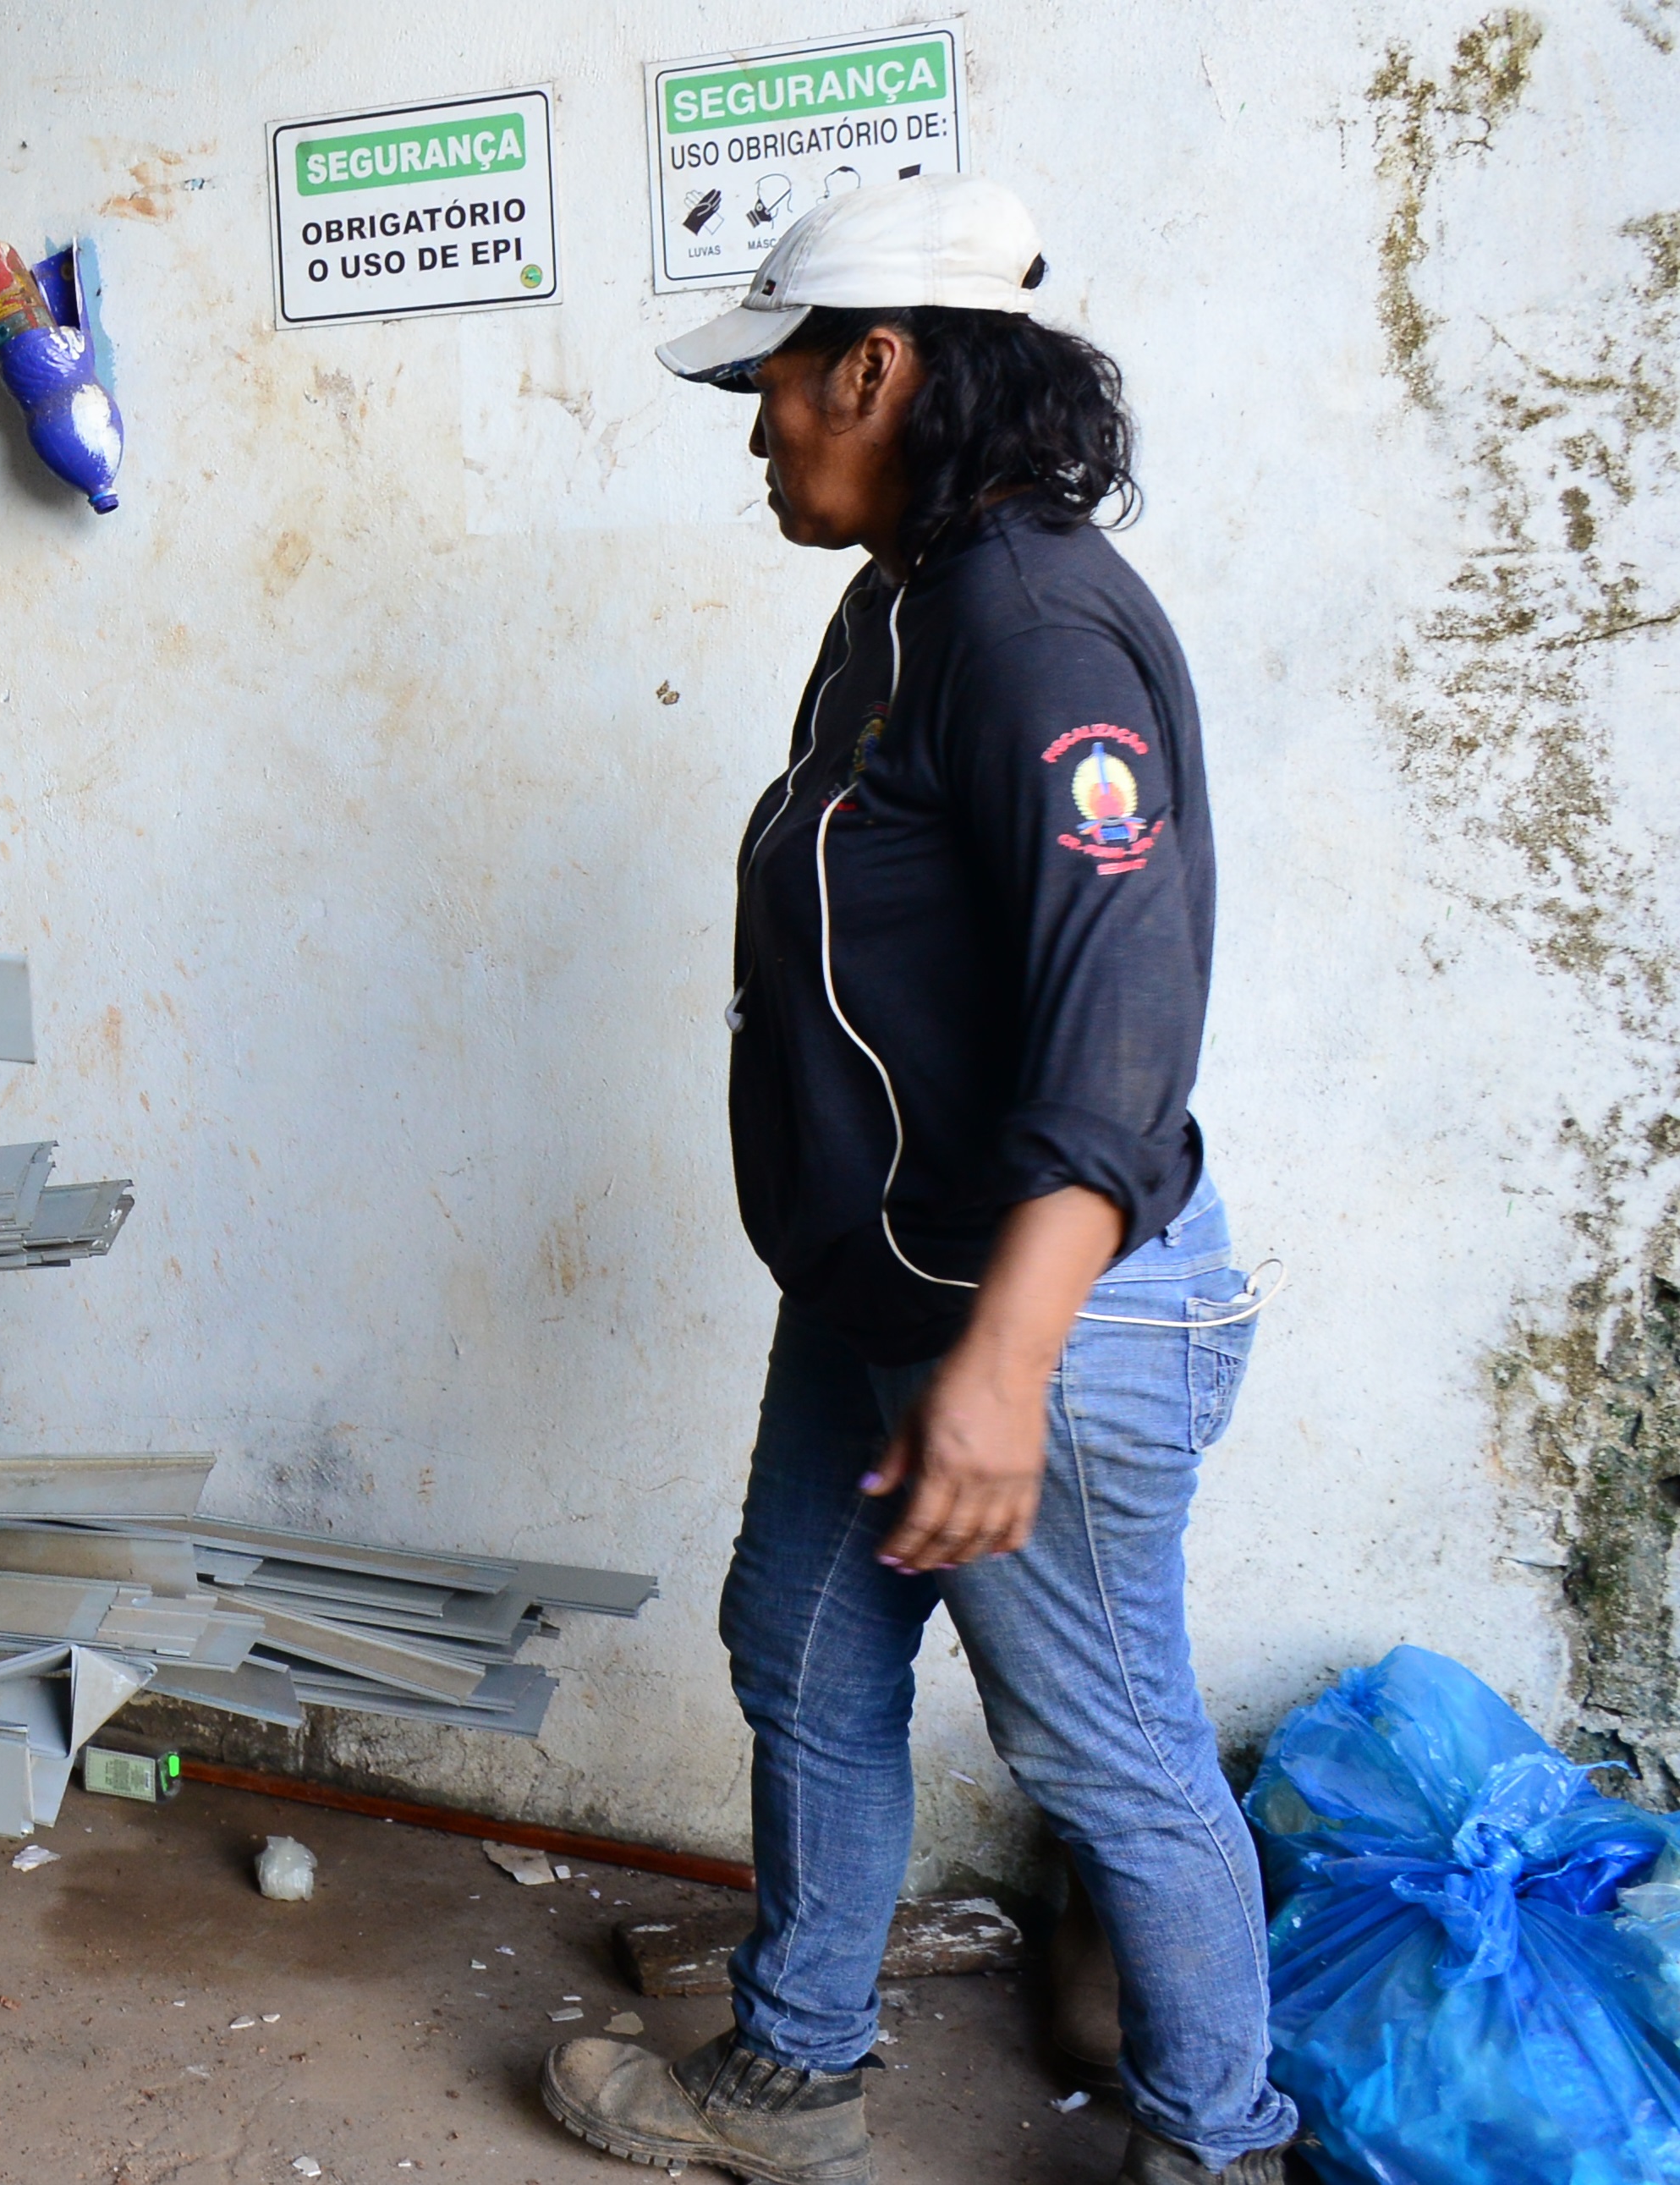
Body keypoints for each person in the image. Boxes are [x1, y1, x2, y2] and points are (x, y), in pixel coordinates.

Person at [535, 179, 1298, 2185]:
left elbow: (1119, 1026)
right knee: (801, 1644)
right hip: (880, 1282)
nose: (758, 428)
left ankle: (1218, 2149)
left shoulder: (1030, 624)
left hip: (1040, 1309)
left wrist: (1004, 1361)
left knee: (1103, 1746)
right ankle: (792, 2076)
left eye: (776, 382)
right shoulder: (900, 602)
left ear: (875, 366)